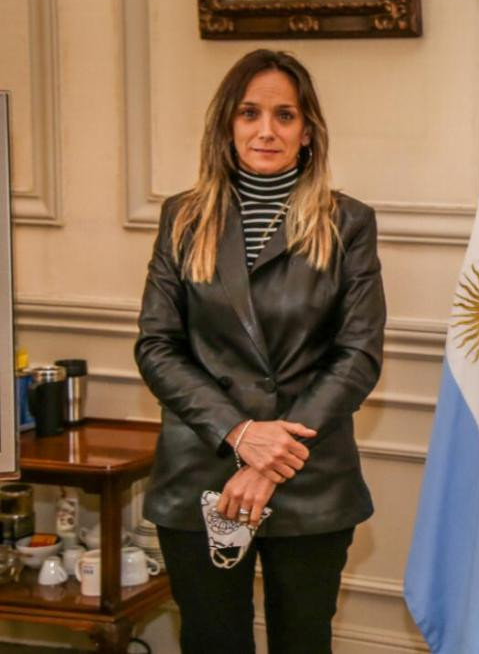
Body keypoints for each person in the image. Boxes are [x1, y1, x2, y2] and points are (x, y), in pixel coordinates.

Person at [135, 49, 386, 653]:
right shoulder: (182, 219)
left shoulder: (347, 222)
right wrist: (239, 433)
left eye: (285, 114)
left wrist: (269, 457)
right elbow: (157, 345)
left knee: (303, 642)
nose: (266, 129)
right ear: (227, 125)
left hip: (308, 480)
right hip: (200, 468)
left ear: (308, 132)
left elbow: (357, 355)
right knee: (212, 642)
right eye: (249, 113)